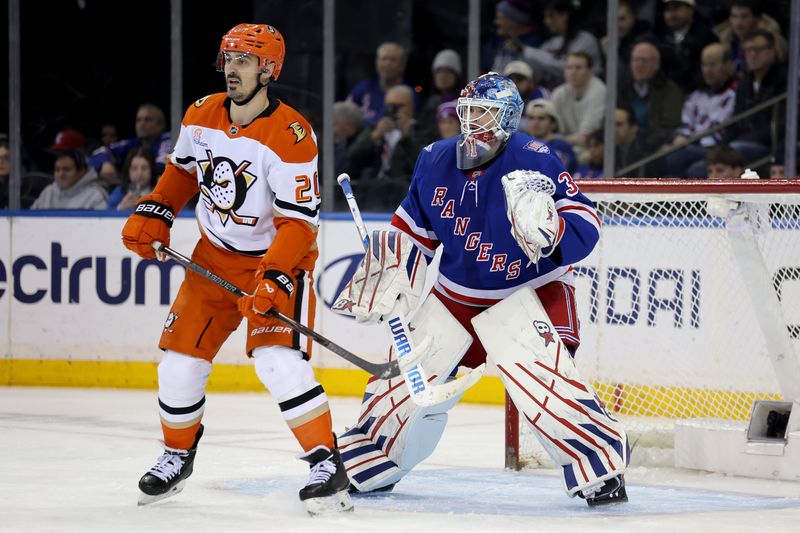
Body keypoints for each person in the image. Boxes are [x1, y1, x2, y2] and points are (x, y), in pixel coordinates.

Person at [333, 72, 628, 506]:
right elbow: (412, 230)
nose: (473, 122)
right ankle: (371, 461)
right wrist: (390, 272)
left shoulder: (537, 157)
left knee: (545, 385)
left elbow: (587, 224)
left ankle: (599, 468)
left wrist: (553, 229)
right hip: (456, 296)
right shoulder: (434, 158)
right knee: (404, 389)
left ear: (508, 117)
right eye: (467, 112)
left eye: (484, 113)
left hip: (529, 291)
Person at [120, 23, 352, 514]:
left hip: (276, 262)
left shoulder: (292, 136)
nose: (232, 68)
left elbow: (298, 223)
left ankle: (325, 461)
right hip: (210, 260)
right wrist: (157, 209)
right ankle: (176, 455)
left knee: (276, 361)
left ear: (269, 70)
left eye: (244, 60)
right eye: (228, 58)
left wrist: (274, 275)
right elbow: (182, 172)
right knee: (178, 366)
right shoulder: (201, 113)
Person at [665, 42, 738, 178]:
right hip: (694, 146)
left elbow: (723, 129)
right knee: (667, 156)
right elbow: (687, 125)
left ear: (728, 65)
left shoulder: (736, 93)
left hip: (718, 148)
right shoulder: (696, 96)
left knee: (682, 162)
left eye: (712, 65)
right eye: (704, 65)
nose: (708, 70)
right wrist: (680, 137)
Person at [724, 30, 787, 167]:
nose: (752, 55)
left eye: (758, 50)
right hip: (741, 141)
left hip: (768, 145)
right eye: (748, 50)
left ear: (771, 52)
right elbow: (736, 117)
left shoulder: (784, 81)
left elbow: (780, 126)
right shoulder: (745, 82)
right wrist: (723, 146)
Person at [514, 0, 603, 91]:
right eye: (545, 17)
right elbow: (537, 74)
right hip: (556, 96)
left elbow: (564, 68)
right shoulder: (552, 42)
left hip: (586, 94)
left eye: (551, 16)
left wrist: (526, 51)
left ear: (564, 16)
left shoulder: (586, 40)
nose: (547, 21)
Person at [90, 103, 172, 188]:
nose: (142, 124)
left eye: (148, 120)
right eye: (138, 120)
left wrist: (127, 175)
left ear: (160, 125)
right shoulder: (134, 142)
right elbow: (98, 152)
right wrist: (104, 163)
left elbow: (161, 167)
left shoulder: (168, 140)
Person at [654, 0, 718, 91]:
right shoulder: (660, 38)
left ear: (691, 10)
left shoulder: (705, 37)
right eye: (667, 10)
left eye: (676, 8)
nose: (671, 15)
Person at [347, 42, 414, 126]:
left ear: (402, 65)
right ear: (377, 62)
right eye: (384, 59)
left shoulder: (408, 93)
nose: (387, 63)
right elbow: (347, 117)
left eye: (393, 60)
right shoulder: (364, 87)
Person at [550, 51, 606, 151]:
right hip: (568, 146)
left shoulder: (599, 91)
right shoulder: (558, 93)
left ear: (590, 71)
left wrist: (559, 140)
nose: (573, 72)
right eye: (569, 67)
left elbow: (585, 137)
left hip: (594, 148)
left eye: (578, 68)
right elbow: (552, 130)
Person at [31, 149, 108, 210]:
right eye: (57, 170)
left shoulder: (95, 196)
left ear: (81, 172)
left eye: (66, 169)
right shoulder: (48, 193)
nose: (61, 174)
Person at [525, 98, 577, 174]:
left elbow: (558, 175)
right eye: (531, 118)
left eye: (541, 118)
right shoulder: (520, 143)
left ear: (553, 123)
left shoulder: (561, 147)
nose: (535, 123)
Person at [108, 146, 158, 211]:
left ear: (152, 170)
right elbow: (104, 217)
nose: (139, 173)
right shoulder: (119, 192)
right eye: (134, 168)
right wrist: (121, 208)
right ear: (128, 171)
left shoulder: (160, 193)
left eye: (144, 168)